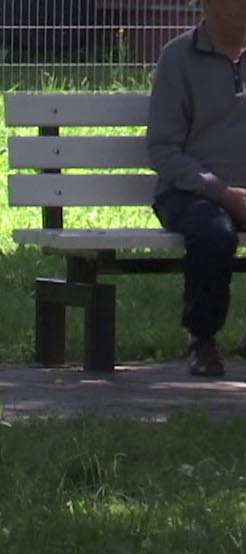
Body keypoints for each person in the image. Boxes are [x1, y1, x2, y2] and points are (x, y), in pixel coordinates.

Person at [148, 0, 246, 377]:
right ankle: (202, 339)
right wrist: (222, 193)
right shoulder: (177, 58)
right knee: (213, 233)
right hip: (189, 195)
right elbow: (163, 150)